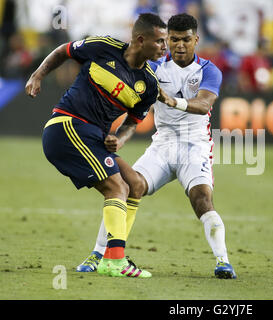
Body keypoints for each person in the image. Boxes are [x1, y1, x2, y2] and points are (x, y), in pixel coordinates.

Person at [77, 13, 237, 279]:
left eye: (186, 39)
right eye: (174, 39)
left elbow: (204, 105)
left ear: (196, 39)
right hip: (162, 145)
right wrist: (119, 136)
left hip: (194, 146)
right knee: (129, 187)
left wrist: (174, 102)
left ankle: (223, 260)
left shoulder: (209, 70)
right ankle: (99, 253)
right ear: (167, 39)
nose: (180, 45)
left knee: (202, 199)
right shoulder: (153, 67)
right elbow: (132, 107)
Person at [25, 13, 167, 279]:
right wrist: (37, 75)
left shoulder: (148, 83)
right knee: (116, 187)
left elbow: (132, 123)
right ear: (140, 39)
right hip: (67, 126)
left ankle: (103, 254)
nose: (164, 47)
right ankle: (114, 260)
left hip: (95, 138)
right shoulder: (104, 47)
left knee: (134, 184)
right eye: (160, 41)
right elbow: (63, 51)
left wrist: (120, 139)